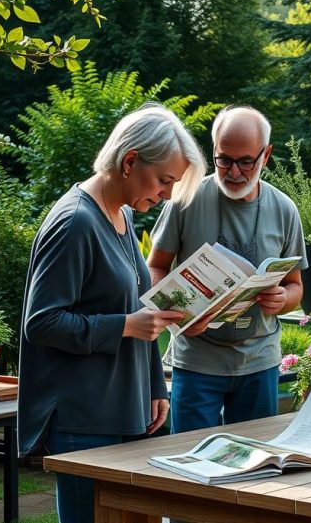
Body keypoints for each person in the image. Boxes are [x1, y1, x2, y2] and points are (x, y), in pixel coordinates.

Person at [17, 103, 206, 523]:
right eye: (163, 180)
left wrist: (156, 385)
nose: (167, 194)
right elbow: (42, 323)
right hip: (84, 417)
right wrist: (124, 326)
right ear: (130, 160)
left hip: (127, 407)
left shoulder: (120, 214)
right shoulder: (74, 222)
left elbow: (142, 310)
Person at [147, 105, 307, 433]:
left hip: (259, 362)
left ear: (266, 155)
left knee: (252, 463)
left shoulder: (284, 209)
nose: (233, 172)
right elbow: (155, 268)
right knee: (188, 461)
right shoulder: (186, 199)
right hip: (196, 362)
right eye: (224, 159)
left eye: (245, 161)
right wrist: (179, 317)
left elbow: (296, 286)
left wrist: (282, 299)